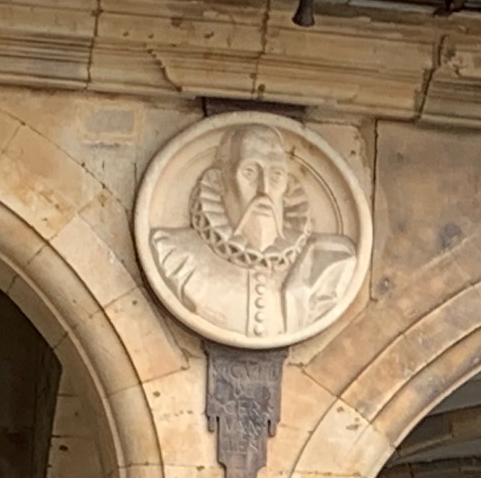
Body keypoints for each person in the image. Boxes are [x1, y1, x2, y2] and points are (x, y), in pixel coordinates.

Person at [149, 123, 359, 343]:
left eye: (276, 175)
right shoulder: (177, 256)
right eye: (249, 172)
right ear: (220, 182)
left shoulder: (329, 264)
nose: (264, 189)